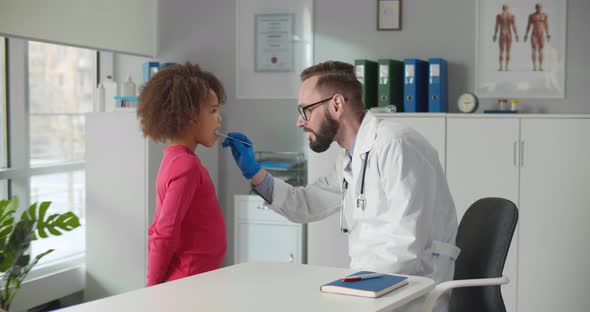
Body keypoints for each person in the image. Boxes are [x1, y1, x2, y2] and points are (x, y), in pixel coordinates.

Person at [222, 61, 459, 312]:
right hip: (375, 288)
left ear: (336, 104)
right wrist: (256, 174)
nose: (299, 122)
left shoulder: (396, 144)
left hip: (413, 293)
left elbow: (406, 244)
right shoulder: (350, 158)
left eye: (305, 110)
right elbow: (308, 204)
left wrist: (351, 290)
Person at [137, 62, 227, 286]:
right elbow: (164, 232)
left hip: (198, 278)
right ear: (189, 117)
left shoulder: (175, 160)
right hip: (189, 281)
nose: (219, 118)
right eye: (213, 111)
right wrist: (151, 288)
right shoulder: (186, 166)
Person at [524, 3, 551, 71]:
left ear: (541, 8)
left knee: (541, 50)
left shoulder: (544, 15)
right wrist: (526, 34)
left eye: (540, 7)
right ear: (535, 8)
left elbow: (546, 25)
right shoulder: (531, 16)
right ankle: (534, 66)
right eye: (537, 7)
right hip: (534, 34)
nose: (539, 8)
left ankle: (540, 66)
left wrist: (548, 34)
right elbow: (528, 25)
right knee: (534, 50)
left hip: (541, 34)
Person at [493, 4, 519, 71]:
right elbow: (497, 26)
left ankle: (504, 67)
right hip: (507, 33)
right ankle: (504, 67)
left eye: (505, 8)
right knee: (504, 51)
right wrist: (516, 34)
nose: (505, 9)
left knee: (505, 51)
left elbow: (514, 26)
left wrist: (495, 35)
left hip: (504, 33)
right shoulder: (508, 16)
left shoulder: (502, 16)